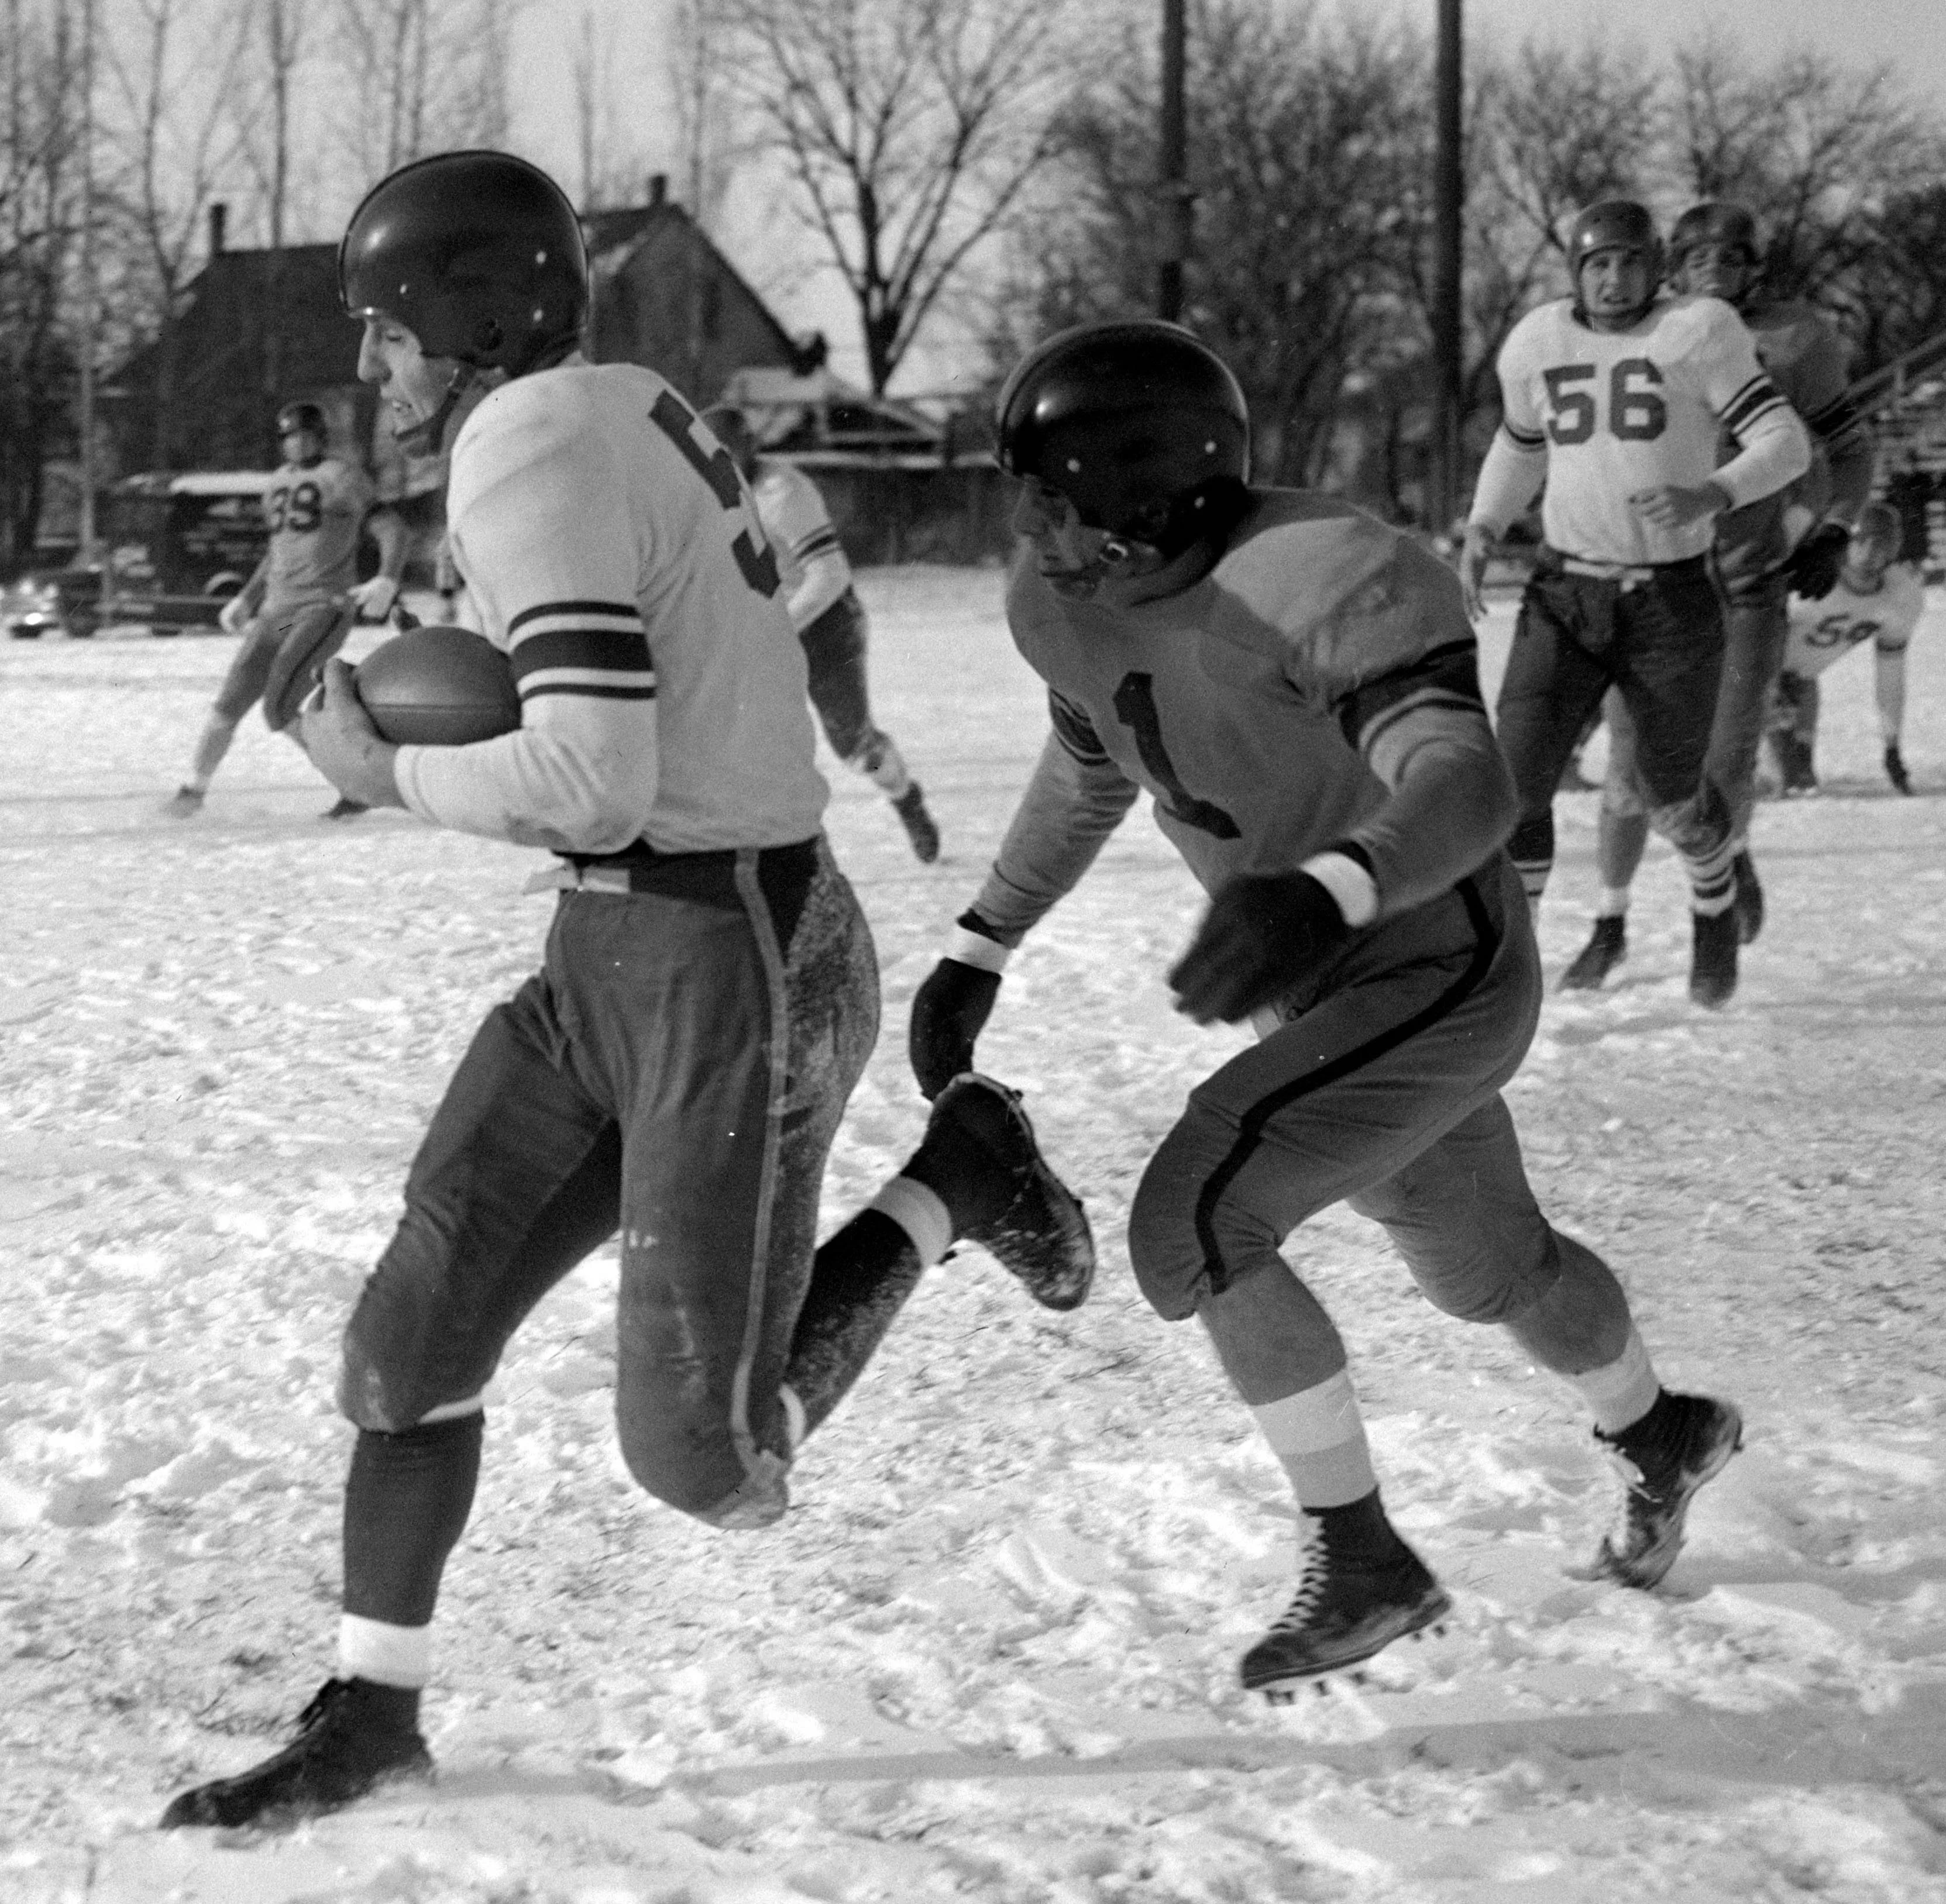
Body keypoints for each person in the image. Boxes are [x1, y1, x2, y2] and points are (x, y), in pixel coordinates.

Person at [159, 150, 1095, 1831]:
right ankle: (374, 1707)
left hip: (728, 950)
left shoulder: (525, 438)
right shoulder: (609, 398)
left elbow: (589, 776)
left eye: (388, 329)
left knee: (712, 1464)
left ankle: (960, 1180)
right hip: (624, 941)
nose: (372, 367)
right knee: (405, 1345)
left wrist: (374, 763)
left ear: (478, 315)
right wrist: (402, 643)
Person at [909, 318, 1744, 1698]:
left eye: (1051, 499)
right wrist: (983, 938)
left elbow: (1466, 788)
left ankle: (1363, 1560)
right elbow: (1096, 758)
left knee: (1193, 1218)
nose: (1025, 527)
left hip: (1433, 958)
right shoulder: (1061, 597)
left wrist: (1328, 888)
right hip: (1313, 974)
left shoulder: (1323, 573)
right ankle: (1662, 1428)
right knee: (1492, 1272)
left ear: (1145, 499)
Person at [1460, 199, 1811, 1008]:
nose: (1612, 279)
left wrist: (1713, 492)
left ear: (1654, 266)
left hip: (1669, 599)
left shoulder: (1697, 328)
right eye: (1596, 263)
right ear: (1574, 273)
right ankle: (1516, 961)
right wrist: (1484, 522)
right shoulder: (1537, 339)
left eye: (1626, 262)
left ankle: (1713, 894)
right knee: (1516, 785)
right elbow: (1519, 445)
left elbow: (1784, 441)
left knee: (1671, 797)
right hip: (1564, 589)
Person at [1565, 201, 1877, 990]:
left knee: (1723, 760)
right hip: (1651, 582)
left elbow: (1846, 444)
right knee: (1628, 766)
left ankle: (1722, 877)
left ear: (1755, 268)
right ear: (1670, 264)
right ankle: (1610, 922)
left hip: (1745, 580)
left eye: (1730, 259)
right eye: (1697, 258)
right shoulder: (1638, 331)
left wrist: (1834, 528)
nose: (1713, 273)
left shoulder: (1792, 338)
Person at [700, 405, 941, 863]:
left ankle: (906, 798)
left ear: (750, 447)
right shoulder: (699, 491)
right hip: (768, 625)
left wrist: (775, 628)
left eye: (730, 453)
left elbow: (830, 573)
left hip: (826, 623)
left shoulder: (783, 492)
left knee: (855, 748)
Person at [164, 401, 406, 821]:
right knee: (230, 700)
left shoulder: (342, 476)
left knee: (278, 707)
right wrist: (247, 597)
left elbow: (393, 528)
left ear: (320, 436)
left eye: (305, 434)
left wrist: (388, 575)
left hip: (321, 605)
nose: (298, 443)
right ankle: (193, 789)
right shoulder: (276, 482)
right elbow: (278, 551)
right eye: (290, 436)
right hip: (280, 610)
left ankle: (357, 785)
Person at [1767, 500, 1924, 795]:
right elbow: (1740, 647)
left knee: (1798, 782)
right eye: (1860, 541)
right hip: (1737, 674)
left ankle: (1795, 756)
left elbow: (1890, 676)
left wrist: (1892, 746)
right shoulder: (1809, 581)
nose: (1869, 555)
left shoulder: (1899, 597)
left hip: (1796, 681)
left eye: (1881, 545)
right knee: (1768, 785)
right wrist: (1762, 688)